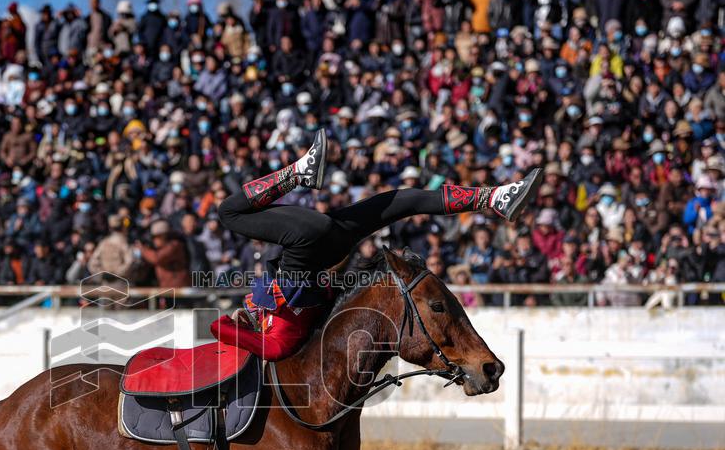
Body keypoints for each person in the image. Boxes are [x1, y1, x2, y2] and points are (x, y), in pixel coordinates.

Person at [211, 129, 543, 360]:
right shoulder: (279, 342)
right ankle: (301, 171)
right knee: (228, 212)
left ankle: (497, 197)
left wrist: (249, 321)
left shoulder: (296, 328)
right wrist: (242, 327)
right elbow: (217, 327)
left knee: (405, 201)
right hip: (308, 247)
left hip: (332, 247)